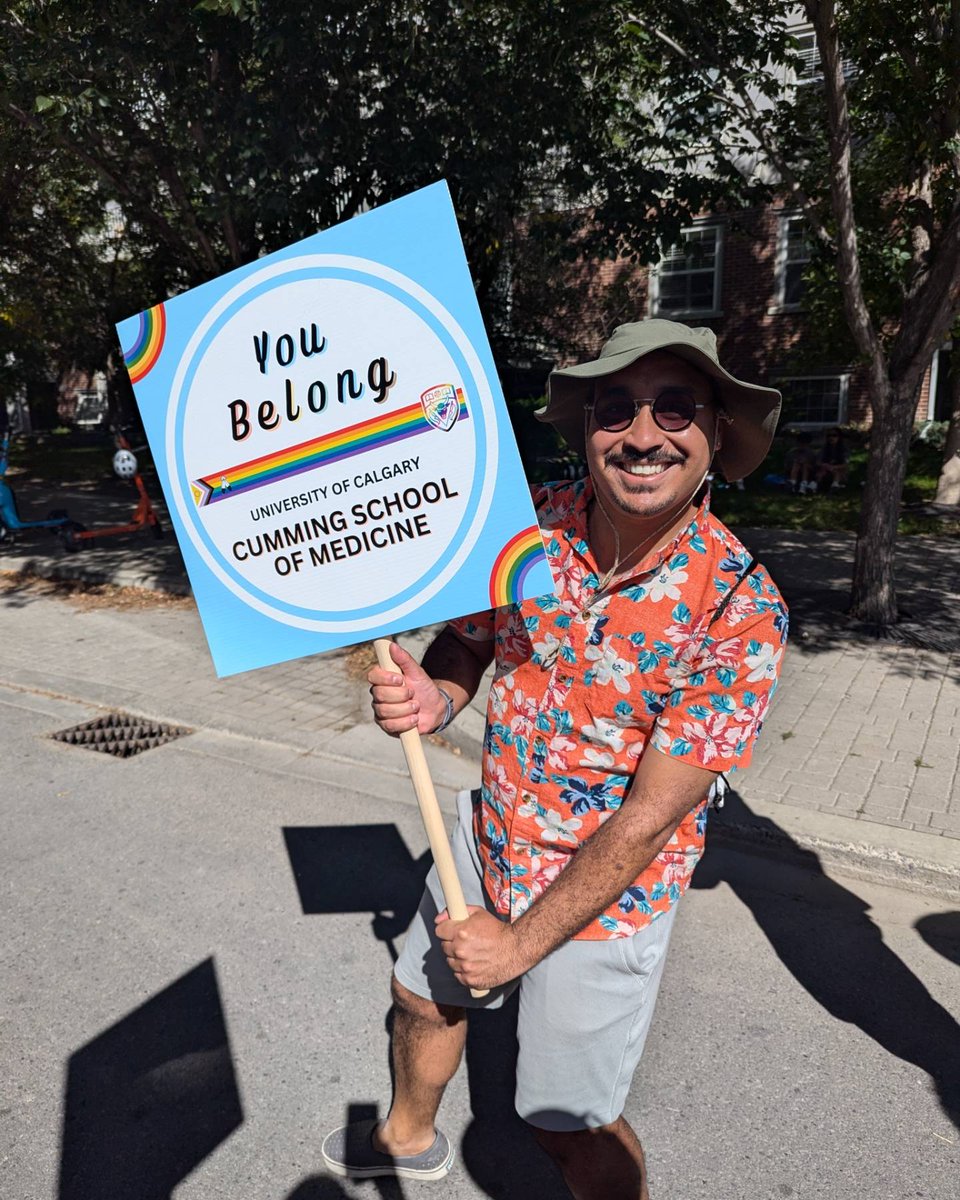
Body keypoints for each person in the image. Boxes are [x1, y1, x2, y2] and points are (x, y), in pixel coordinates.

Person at [321, 319, 788, 1198]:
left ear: (717, 433)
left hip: (608, 897)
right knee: (423, 1001)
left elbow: (652, 819)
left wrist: (518, 945)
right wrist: (440, 695)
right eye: (617, 409)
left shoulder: (742, 607)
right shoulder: (535, 522)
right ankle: (405, 1138)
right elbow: (470, 638)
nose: (643, 435)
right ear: (586, 430)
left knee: (566, 1123)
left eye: (675, 408)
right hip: (487, 838)